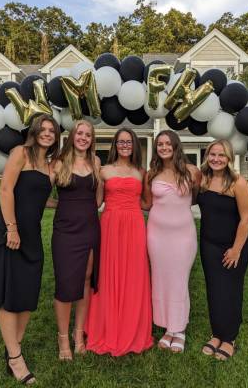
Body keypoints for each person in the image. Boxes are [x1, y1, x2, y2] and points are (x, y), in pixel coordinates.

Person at [0, 114, 60, 384]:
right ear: (35, 131)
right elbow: (6, 190)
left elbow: (40, 199)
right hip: (8, 230)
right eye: (44, 129)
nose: (48, 133)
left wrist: (65, 206)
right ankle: (16, 359)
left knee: (27, 293)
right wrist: (12, 228)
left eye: (53, 130)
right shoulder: (21, 153)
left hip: (32, 235)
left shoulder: (51, 167)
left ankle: (12, 348)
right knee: (10, 292)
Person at [85, 128, 153, 356]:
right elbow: (95, 202)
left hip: (134, 225)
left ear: (135, 145)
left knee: (134, 274)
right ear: (115, 145)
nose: (125, 145)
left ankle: (131, 327)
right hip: (110, 225)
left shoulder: (142, 172)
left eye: (129, 141)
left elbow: (146, 203)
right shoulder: (103, 170)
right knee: (107, 273)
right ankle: (105, 326)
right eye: (121, 141)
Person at [143, 130, 201, 353]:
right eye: (160, 144)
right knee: (161, 279)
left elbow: (195, 198)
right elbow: (148, 204)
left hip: (183, 235)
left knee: (179, 279)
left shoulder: (192, 172)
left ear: (176, 146)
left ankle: (180, 329)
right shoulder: (151, 174)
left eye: (168, 143)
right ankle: (169, 327)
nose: (164, 147)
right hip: (156, 235)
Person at [197, 139, 248, 360]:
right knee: (214, 290)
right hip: (208, 244)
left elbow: (247, 218)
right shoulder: (203, 179)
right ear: (207, 156)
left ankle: (229, 337)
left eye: (221, 155)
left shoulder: (237, 182)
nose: (216, 159)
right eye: (212, 155)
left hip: (233, 246)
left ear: (229, 158)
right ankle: (216, 333)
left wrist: (236, 249)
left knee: (230, 290)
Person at [51, 120, 102, 361]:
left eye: (88, 135)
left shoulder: (96, 162)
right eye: (80, 133)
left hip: (90, 228)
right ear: (72, 136)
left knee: (85, 279)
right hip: (65, 231)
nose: (83, 137)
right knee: (65, 283)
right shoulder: (59, 163)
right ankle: (62, 339)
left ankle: (78, 334)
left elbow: (98, 198)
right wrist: (58, 204)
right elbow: (39, 193)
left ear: (92, 139)